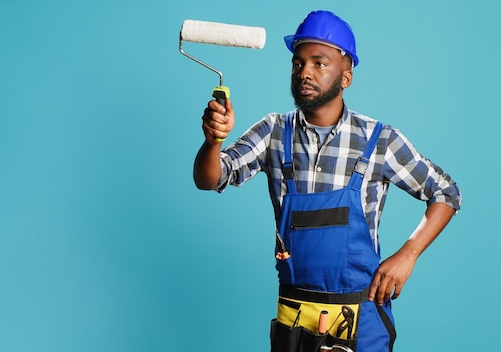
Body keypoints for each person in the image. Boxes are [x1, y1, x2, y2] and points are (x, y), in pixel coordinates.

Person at [193, 10, 462, 352]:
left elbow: (446, 193)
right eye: (298, 63)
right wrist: (213, 140)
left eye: (319, 63)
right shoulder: (274, 132)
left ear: (346, 76)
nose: (304, 73)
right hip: (296, 320)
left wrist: (408, 254)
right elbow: (211, 178)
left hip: (360, 319)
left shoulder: (378, 140)